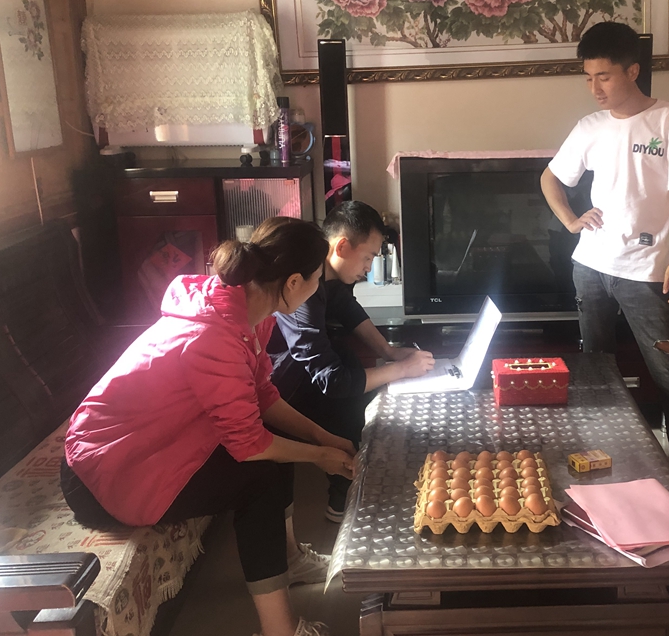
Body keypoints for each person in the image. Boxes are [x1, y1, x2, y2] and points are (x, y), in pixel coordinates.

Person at [62, 217, 354, 636]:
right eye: (316, 279)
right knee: (259, 479)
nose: (318, 288)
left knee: (281, 447)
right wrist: (321, 456)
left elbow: (262, 395)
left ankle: (288, 560)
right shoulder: (214, 334)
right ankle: (280, 630)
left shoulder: (248, 307)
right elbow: (250, 445)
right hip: (105, 470)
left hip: (144, 443)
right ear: (293, 282)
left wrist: (319, 437)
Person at [540, 21, 669, 541]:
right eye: (588, 78)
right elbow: (551, 177)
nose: (595, 88)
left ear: (632, 71)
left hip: (645, 276)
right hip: (591, 269)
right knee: (596, 380)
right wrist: (570, 221)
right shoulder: (590, 127)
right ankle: (603, 485)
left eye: (603, 76)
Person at [269, 201, 435, 522]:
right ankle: (344, 495)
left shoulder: (327, 273)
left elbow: (348, 308)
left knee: (355, 369)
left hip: (306, 372)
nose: (370, 268)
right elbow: (332, 380)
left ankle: (353, 483)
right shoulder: (304, 285)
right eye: (368, 257)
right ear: (342, 246)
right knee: (350, 385)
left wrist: (389, 352)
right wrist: (400, 370)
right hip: (283, 385)